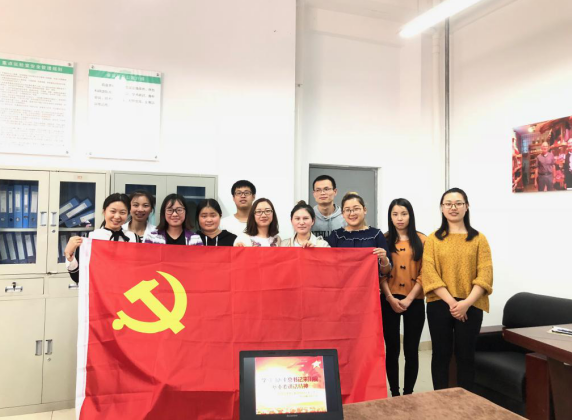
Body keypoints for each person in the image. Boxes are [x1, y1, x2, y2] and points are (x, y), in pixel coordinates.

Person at [422, 187, 493, 392]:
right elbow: (429, 273)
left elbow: (485, 274)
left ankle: (466, 402)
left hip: (471, 304)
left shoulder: (479, 239)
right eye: (448, 204)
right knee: (440, 355)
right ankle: (440, 401)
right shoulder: (433, 239)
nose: (453, 208)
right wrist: (453, 303)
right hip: (440, 303)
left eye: (458, 203)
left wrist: (466, 303)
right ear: (442, 208)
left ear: (466, 206)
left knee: (466, 356)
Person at [380, 198, 426, 397]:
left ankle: (408, 393)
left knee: (411, 350)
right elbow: (379, 273)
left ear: (410, 215)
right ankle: (395, 393)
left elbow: (426, 273)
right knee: (392, 349)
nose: (399, 218)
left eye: (404, 214)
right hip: (388, 300)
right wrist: (390, 297)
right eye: (395, 214)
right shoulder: (383, 239)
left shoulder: (423, 240)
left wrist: (409, 299)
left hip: (414, 300)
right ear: (390, 217)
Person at [65, 193, 137, 283]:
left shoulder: (134, 238)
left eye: (122, 212)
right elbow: (77, 277)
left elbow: (138, 271)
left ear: (128, 214)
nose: (117, 216)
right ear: (104, 212)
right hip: (99, 290)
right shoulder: (89, 239)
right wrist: (70, 257)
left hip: (125, 289)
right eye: (113, 211)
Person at [328, 192, 391, 275]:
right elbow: (327, 265)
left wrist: (384, 259)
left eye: (356, 209)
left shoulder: (376, 234)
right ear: (342, 214)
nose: (352, 213)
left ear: (364, 210)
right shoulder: (336, 235)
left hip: (368, 283)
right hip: (341, 283)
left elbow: (386, 271)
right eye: (347, 210)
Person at [311, 175, 346, 239]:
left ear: (335, 192)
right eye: (318, 190)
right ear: (314, 194)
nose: (322, 193)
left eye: (326, 189)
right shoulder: (308, 216)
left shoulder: (345, 216)